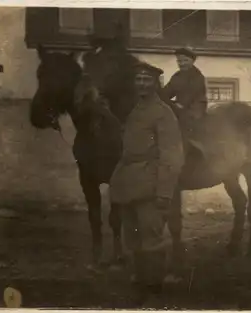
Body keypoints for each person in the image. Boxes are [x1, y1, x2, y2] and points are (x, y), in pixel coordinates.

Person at [109, 62, 185, 300]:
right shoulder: (135, 110)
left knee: (151, 236)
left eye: (147, 80)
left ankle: (154, 286)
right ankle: (140, 279)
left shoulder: (163, 113)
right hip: (130, 182)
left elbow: (172, 155)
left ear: (156, 84)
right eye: (138, 79)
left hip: (151, 183)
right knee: (133, 235)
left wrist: (164, 192)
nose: (142, 84)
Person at [160, 47, 208, 157]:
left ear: (192, 61)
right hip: (179, 105)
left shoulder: (197, 76)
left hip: (196, 107)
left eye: (185, 60)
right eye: (179, 61)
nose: (182, 64)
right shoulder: (177, 76)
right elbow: (167, 91)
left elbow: (191, 94)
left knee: (186, 121)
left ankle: (189, 150)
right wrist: (160, 96)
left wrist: (179, 105)